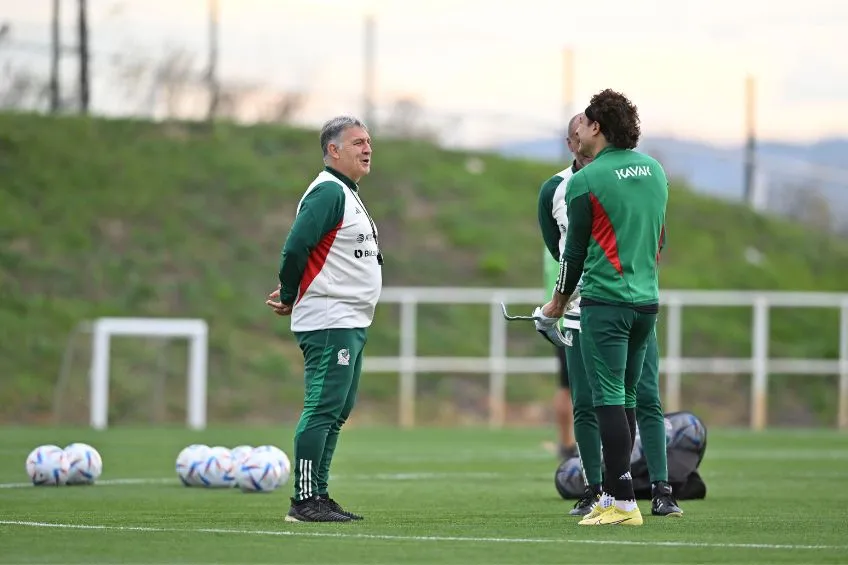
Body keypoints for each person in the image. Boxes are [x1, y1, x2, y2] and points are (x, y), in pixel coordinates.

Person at [538, 113, 682, 519]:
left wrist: (558, 302)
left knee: (609, 400)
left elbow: (571, 253)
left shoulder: (586, 180)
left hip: (603, 302)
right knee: (627, 399)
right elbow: (660, 238)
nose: (578, 134)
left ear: (597, 128)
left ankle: (619, 499)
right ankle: (610, 492)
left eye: (584, 126)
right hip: (645, 302)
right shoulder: (654, 169)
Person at [265, 115, 383, 523]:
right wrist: (291, 291)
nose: (367, 149)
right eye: (357, 143)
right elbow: (296, 246)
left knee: (337, 408)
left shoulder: (347, 194)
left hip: (349, 318)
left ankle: (319, 493)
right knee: (322, 407)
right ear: (333, 150)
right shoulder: (329, 191)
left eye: (368, 142)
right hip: (330, 318)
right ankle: (303, 500)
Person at [537, 114, 590, 463]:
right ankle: (573, 448)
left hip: (585, 300)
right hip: (571, 305)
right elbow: (562, 256)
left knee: (574, 386)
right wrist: (558, 301)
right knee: (573, 385)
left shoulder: (561, 194)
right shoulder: (559, 189)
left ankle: (575, 448)